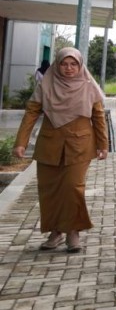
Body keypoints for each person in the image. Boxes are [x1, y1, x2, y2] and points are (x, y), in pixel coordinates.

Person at [13, 48, 109, 253]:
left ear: (80, 65)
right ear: (57, 65)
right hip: (50, 145)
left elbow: (98, 117)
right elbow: (31, 113)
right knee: (50, 190)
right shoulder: (46, 84)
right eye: (64, 64)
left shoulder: (89, 86)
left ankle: (73, 231)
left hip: (80, 145)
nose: (69, 68)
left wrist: (103, 144)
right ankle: (55, 231)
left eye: (73, 64)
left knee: (73, 188)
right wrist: (21, 142)